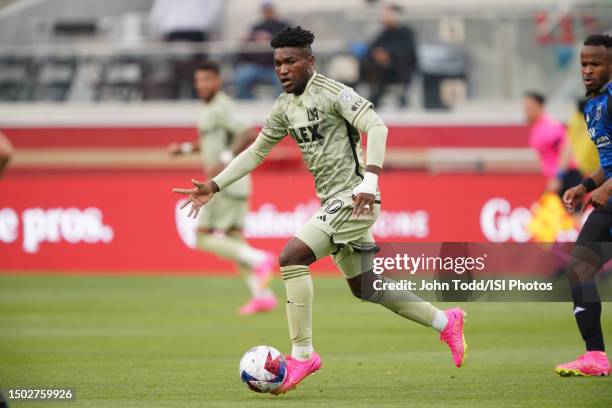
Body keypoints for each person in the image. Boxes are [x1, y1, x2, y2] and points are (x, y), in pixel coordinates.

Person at [174, 26, 467, 394]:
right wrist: (214, 185)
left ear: (310, 61)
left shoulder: (332, 93)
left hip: (356, 198)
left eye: (291, 61)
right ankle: (447, 322)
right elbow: (256, 152)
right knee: (366, 286)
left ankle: (303, 355)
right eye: (277, 63)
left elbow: (376, 127)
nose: (282, 69)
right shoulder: (284, 107)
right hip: (334, 203)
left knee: (292, 256)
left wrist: (371, 181)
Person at [169, 61, 277, 315]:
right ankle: (262, 296)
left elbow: (249, 133)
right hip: (231, 185)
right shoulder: (211, 110)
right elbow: (209, 142)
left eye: (207, 79)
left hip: (225, 185)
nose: (202, 85)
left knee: (202, 236)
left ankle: (261, 260)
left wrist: (227, 158)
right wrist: (184, 149)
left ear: (218, 81)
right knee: (235, 242)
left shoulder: (222, 106)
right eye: (198, 80)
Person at [557, 34, 612, 377]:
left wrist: (608, 187)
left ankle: (595, 356)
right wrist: (586, 185)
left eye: (596, 64)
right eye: (584, 64)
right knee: (580, 268)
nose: (587, 70)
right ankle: (595, 356)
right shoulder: (594, 104)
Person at [359, 4, 418, 107]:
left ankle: (402, 102)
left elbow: (407, 52)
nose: (385, 17)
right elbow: (371, 48)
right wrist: (378, 55)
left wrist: (388, 55)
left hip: (401, 71)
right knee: (368, 67)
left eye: (388, 15)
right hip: (383, 71)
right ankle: (373, 102)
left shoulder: (406, 32)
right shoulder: (384, 33)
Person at [524, 91, 582, 196]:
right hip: (556, 178)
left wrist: (558, 177)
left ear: (540, 107)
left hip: (567, 176)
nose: (526, 112)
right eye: (526, 109)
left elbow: (566, 150)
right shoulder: (536, 128)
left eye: (530, 109)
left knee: (572, 211)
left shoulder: (549, 127)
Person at [233, 0, 288, 99]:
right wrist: (247, 40)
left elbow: (291, 45)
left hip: (277, 67)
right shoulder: (256, 27)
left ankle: (278, 107)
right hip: (256, 66)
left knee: (284, 80)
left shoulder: (283, 26)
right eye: (265, 10)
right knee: (240, 78)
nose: (267, 12)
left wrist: (271, 39)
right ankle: (249, 105)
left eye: (269, 9)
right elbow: (244, 50)